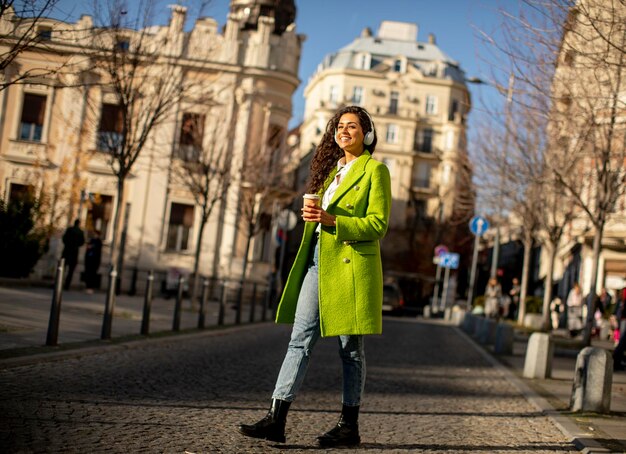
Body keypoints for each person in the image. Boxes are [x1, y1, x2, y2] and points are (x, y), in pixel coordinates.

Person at [238, 106, 391, 447]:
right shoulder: (329, 174)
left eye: (352, 126)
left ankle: (348, 425)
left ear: (366, 134)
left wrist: (334, 220)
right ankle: (276, 418)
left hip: (351, 266)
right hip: (319, 262)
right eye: (339, 126)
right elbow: (319, 217)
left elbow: (378, 224)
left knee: (350, 349)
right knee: (300, 339)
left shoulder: (375, 171)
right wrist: (314, 217)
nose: (344, 131)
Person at [62, 219, 85, 290]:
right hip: (74, 252)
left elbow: (64, 238)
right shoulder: (80, 232)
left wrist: (68, 244)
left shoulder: (70, 229)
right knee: (70, 271)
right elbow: (82, 242)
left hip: (67, 251)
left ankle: (60, 282)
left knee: (62, 268)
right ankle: (67, 285)